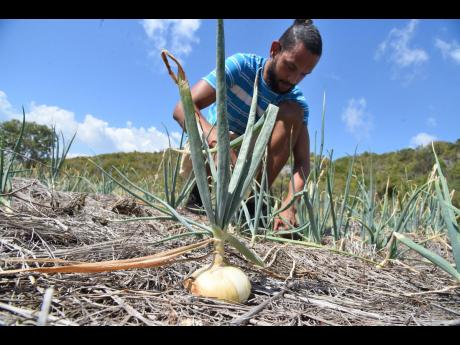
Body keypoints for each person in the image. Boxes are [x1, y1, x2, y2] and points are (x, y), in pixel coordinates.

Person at [172, 19, 322, 231]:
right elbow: (182, 108)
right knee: (217, 140)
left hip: (250, 170)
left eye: (304, 74)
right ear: (274, 49)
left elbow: (302, 163)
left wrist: (290, 205)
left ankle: (254, 204)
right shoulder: (242, 66)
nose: (294, 79)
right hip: (211, 151)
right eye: (290, 67)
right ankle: (198, 195)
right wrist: (220, 142)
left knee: (293, 112)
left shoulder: (296, 102)